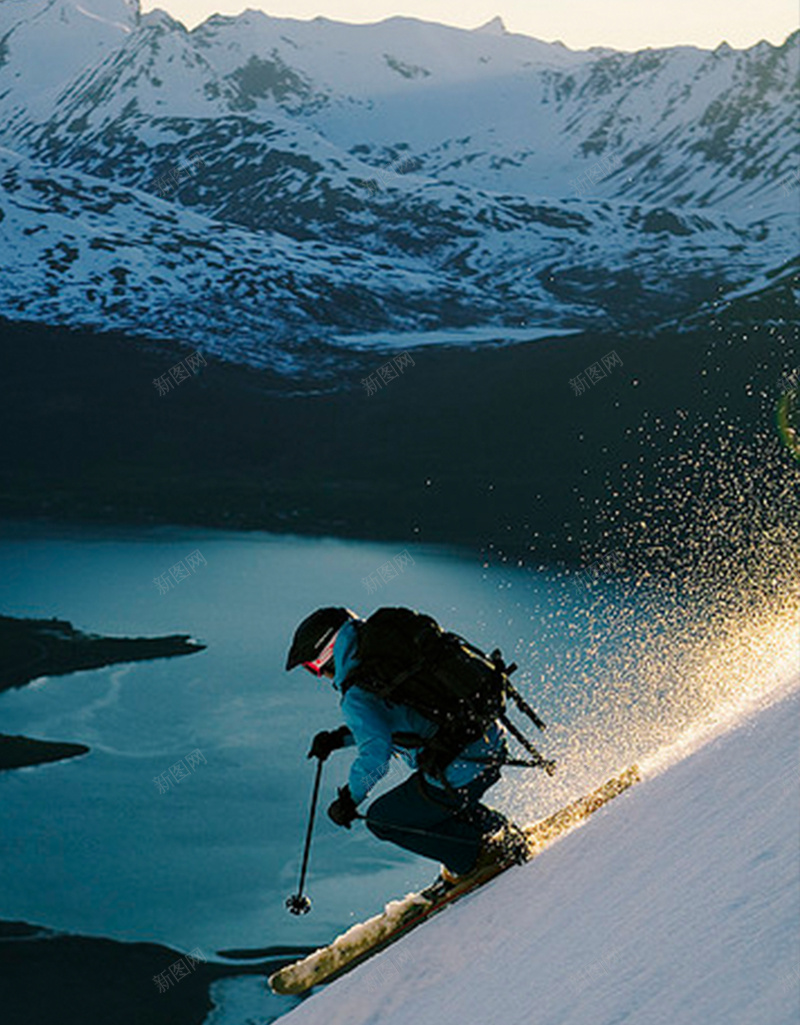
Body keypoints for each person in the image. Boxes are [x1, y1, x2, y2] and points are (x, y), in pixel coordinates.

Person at [285, 606, 527, 884]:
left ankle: (474, 860)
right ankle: (500, 833)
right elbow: (401, 720)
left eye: (312, 668)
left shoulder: (357, 693)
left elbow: (377, 758)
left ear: (325, 654)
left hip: (462, 767)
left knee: (384, 820)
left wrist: (350, 799)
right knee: (430, 794)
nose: (318, 675)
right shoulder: (385, 657)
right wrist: (339, 739)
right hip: (489, 743)